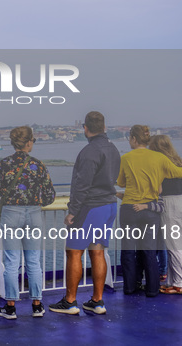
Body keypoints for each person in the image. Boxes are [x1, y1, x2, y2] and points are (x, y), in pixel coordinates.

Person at [48, 111, 120, 315]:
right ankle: (97, 301)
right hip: (109, 206)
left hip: (91, 208)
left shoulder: (89, 152)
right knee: (98, 252)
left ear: (85, 128)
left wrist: (73, 212)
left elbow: (82, 185)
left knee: (74, 252)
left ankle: (70, 301)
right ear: (105, 127)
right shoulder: (113, 149)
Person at [0, 126, 55, 319]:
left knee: (11, 262)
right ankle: (37, 305)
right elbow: (50, 195)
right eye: (33, 140)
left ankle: (10, 307)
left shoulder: (4, 164)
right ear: (28, 143)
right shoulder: (38, 164)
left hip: (11, 214)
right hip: (34, 214)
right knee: (33, 260)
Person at [117, 125, 182, 297]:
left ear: (134, 139)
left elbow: (121, 183)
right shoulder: (158, 158)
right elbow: (179, 172)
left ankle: (130, 287)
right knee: (149, 250)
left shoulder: (126, 158)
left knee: (128, 250)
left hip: (129, 208)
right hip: (150, 210)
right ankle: (153, 289)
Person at [149, 134, 182, 295]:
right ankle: (173, 282)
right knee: (174, 243)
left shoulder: (160, 164)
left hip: (169, 204)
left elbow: (159, 189)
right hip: (181, 201)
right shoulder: (178, 161)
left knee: (174, 245)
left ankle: (181, 284)